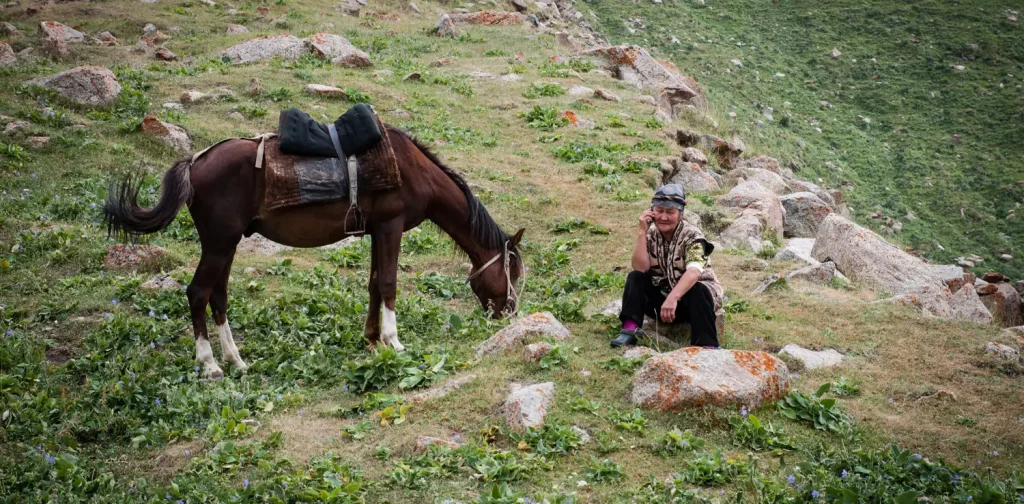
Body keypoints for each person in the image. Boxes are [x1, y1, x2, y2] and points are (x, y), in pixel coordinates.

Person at [612, 183, 724, 348]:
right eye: (659, 211)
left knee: (697, 290)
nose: (663, 217)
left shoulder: (693, 237)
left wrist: (673, 298)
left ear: (680, 214)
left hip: (691, 303)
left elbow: (694, 273)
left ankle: (706, 345)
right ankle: (630, 330)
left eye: (670, 212)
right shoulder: (651, 234)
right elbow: (640, 267)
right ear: (652, 211)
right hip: (663, 301)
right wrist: (642, 232)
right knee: (635, 277)